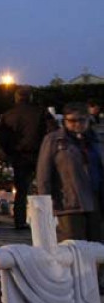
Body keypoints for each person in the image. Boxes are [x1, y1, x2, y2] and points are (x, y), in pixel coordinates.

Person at [37, 103, 104, 241]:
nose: (77, 124)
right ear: (65, 121)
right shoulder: (54, 140)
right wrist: (46, 202)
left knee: (98, 246)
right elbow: (44, 173)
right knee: (74, 246)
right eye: (72, 120)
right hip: (69, 203)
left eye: (82, 120)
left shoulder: (96, 139)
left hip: (96, 200)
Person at [0, 87, 56, 230]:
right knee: (45, 186)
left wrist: (10, 153)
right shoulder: (41, 112)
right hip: (40, 154)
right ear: (31, 97)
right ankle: (48, 219)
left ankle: (20, 221)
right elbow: (53, 130)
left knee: (21, 190)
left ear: (16, 98)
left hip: (20, 156)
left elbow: (3, 138)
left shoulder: (8, 115)